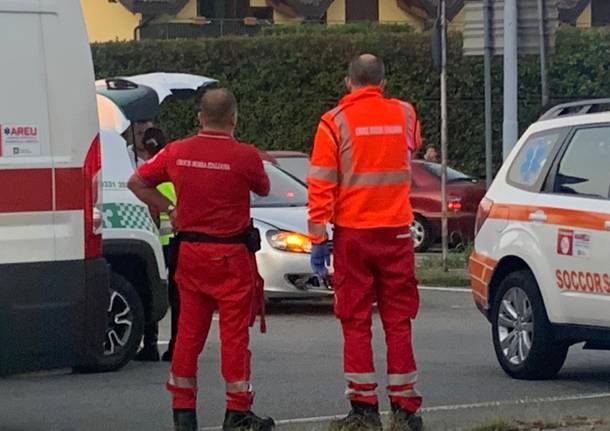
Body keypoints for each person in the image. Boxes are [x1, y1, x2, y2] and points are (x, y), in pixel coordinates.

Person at [128, 88, 274, 431]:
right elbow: (264, 188)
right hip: (232, 256)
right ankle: (237, 411)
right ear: (234, 118)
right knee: (234, 335)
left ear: (199, 118)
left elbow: (137, 181)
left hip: (191, 255)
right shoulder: (245, 156)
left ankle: (183, 413)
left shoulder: (177, 152)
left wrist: (170, 209)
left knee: (189, 335)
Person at [307, 54, 424, 431]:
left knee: (355, 320)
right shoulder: (406, 113)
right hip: (397, 232)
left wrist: (318, 237)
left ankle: (364, 410)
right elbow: (414, 145)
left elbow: (321, 182)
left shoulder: (334, 122)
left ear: (348, 83)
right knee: (398, 319)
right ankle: (405, 410)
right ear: (383, 84)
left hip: (353, 235)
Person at [133, 127, 179, 363]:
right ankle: (176, 346)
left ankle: (150, 345)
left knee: (150, 290)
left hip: (155, 244)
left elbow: (149, 211)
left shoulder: (147, 175)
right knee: (177, 296)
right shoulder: (175, 172)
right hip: (177, 241)